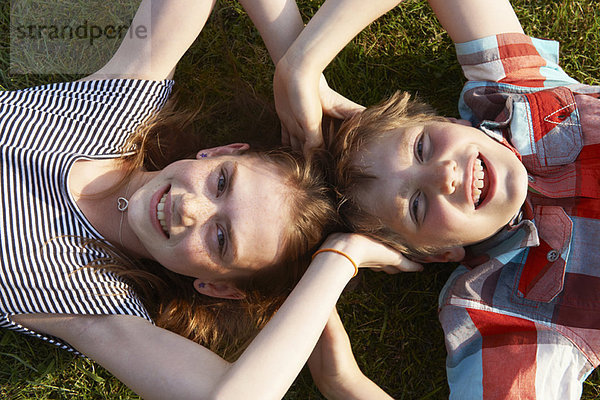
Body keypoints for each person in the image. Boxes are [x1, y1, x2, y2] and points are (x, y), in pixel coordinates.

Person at [1, 0, 419, 398]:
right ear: (220, 152)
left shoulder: (94, 301)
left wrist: (338, 260)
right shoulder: (115, 110)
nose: (190, 208)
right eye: (221, 183)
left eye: (220, 238)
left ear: (218, 287)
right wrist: (299, 68)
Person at [274, 0, 600, 398]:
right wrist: (342, 382)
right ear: (437, 254)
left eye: (422, 147)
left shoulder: (512, 93)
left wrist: (301, 65)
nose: (444, 175)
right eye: (417, 205)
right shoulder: (497, 312)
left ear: (448, 122)